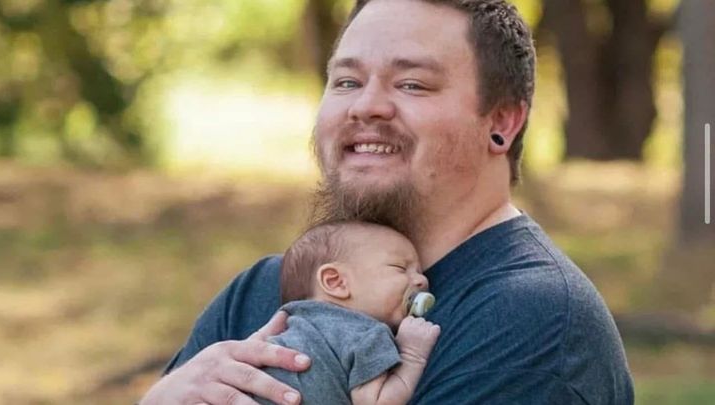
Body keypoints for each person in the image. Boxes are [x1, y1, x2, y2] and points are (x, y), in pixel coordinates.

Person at [140, 0, 634, 404]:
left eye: (412, 84)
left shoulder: (529, 322)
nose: (365, 106)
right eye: (347, 82)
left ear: (502, 122)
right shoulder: (262, 291)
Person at [256, 220, 440, 405]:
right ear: (335, 282)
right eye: (400, 268)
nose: (422, 280)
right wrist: (412, 355)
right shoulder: (366, 334)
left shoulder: (288, 326)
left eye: (419, 272)